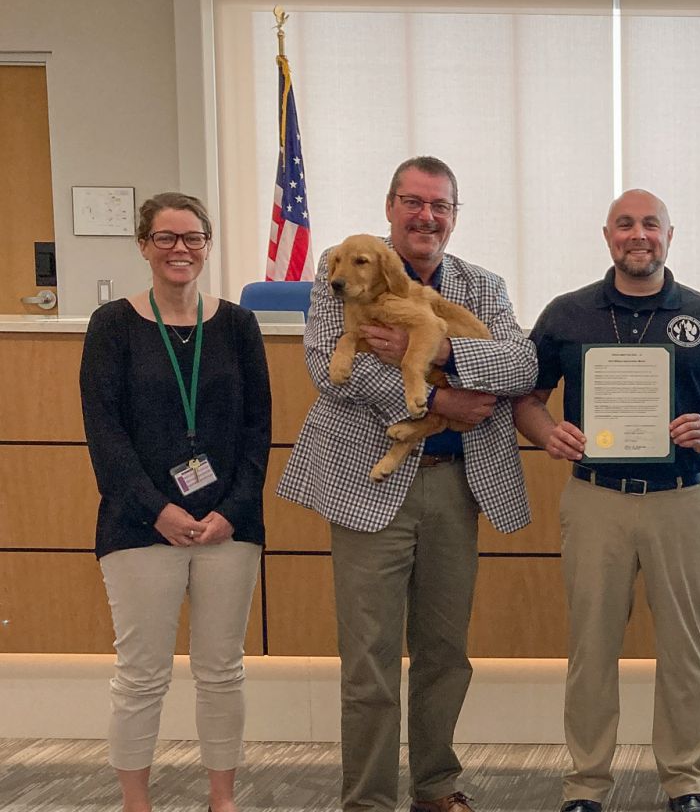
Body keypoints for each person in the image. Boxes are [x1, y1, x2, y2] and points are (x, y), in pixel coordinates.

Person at [277, 156, 539, 812]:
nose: (427, 216)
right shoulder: (337, 272)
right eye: (414, 202)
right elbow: (325, 366)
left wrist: (444, 352)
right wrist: (431, 404)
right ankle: (367, 800)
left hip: (456, 486)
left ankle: (433, 788)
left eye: (440, 206)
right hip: (368, 488)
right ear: (391, 207)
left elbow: (519, 362)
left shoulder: (483, 287)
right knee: (369, 662)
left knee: (445, 653)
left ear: (453, 216)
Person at [513, 189, 700, 812]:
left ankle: (685, 782)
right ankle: (585, 786)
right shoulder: (566, 314)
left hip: (682, 498)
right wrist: (546, 431)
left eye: (650, 225)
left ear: (671, 234)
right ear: (607, 235)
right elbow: (526, 400)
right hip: (595, 500)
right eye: (624, 225)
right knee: (591, 648)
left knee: (685, 650)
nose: (638, 235)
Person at [80, 192, 270, 812]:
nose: (179, 249)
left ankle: (223, 800)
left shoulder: (238, 325)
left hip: (228, 526)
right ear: (143, 245)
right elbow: (104, 433)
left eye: (191, 238)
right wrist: (158, 511)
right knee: (141, 677)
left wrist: (232, 512)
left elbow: (257, 430)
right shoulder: (113, 325)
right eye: (165, 238)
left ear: (208, 245)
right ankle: (137, 803)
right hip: (140, 526)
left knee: (222, 672)